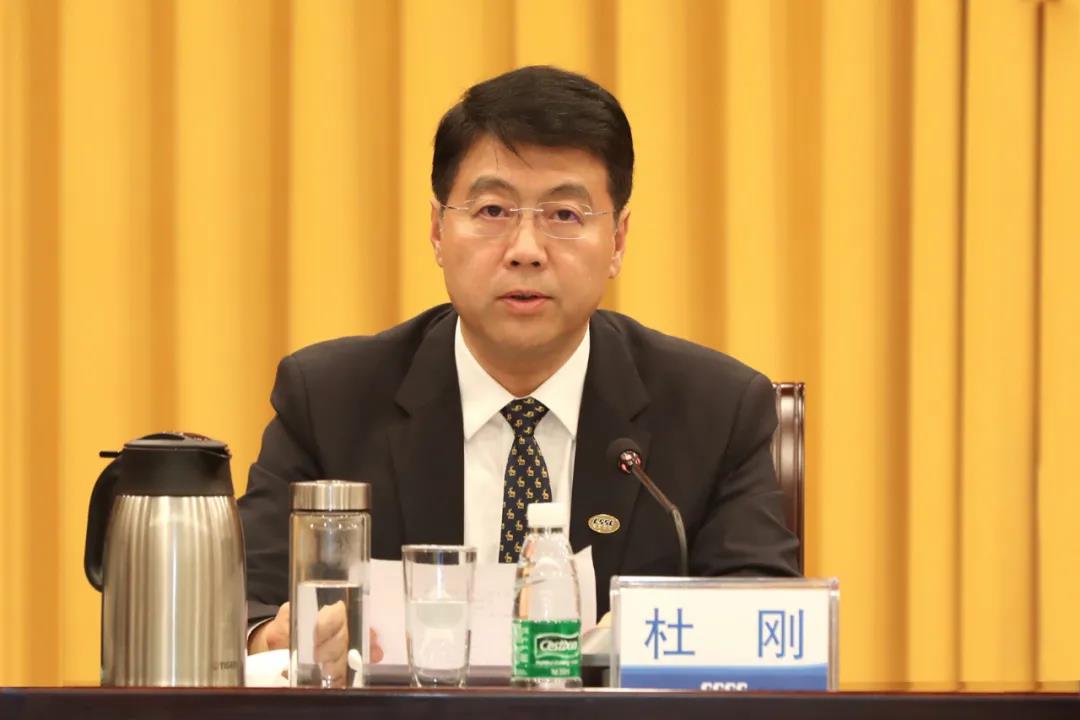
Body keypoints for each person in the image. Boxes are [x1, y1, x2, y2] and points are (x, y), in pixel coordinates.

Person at [240, 66, 800, 671]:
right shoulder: (330, 401)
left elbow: (763, 622)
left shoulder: (715, 411)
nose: (526, 249)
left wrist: (649, 636)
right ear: (437, 230)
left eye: (565, 215)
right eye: (492, 210)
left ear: (617, 241)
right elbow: (245, 607)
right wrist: (275, 639)